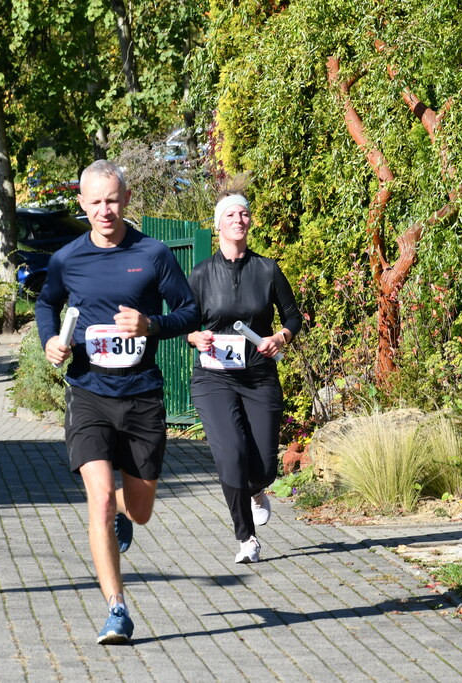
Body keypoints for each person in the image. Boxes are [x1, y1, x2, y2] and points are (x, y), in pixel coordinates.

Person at [35, 160, 198, 645]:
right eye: (95, 201)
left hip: (142, 394)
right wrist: (50, 340)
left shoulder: (153, 254)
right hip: (88, 392)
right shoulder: (68, 258)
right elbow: (47, 302)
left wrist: (151, 326)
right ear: (81, 204)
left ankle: (127, 515)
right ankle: (116, 608)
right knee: (100, 498)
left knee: (140, 509)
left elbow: (190, 311)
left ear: (126, 201)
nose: (104, 209)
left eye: (112, 200)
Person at [186, 192, 302, 564]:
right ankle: (246, 539)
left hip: (258, 376)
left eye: (245, 214)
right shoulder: (202, 274)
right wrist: (194, 336)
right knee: (231, 454)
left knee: (265, 465)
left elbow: (293, 317)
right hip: (214, 378)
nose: (239, 219)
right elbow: (183, 323)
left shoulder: (267, 270)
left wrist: (280, 337)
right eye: (231, 214)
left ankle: (256, 490)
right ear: (218, 224)